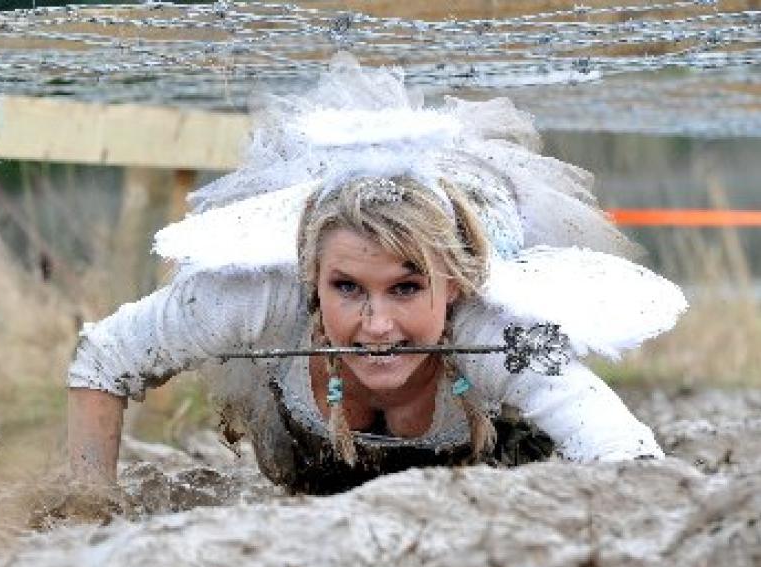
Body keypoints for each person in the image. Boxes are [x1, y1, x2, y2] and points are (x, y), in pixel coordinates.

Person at [67, 55, 687, 494]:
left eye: (407, 287)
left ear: (456, 286)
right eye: (346, 288)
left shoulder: (501, 336)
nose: (376, 324)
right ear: (311, 278)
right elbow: (103, 357)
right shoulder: (253, 297)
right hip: (315, 478)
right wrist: (90, 499)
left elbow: (629, 459)